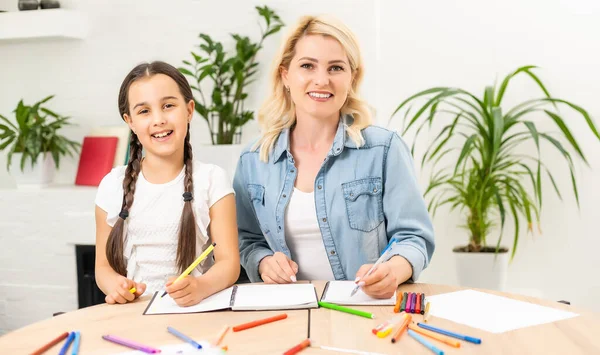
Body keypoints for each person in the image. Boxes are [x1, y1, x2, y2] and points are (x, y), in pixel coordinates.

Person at [233, 15, 435, 299]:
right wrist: (263, 262)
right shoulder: (253, 159)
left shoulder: (384, 149)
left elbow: (414, 238)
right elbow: (247, 240)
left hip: (362, 309)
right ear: (285, 76)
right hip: (283, 311)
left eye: (336, 68)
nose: (322, 80)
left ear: (352, 78)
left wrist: (394, 269)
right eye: (307, 66)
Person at [94, 61, 239, 306]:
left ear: (189, 110)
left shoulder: (213, 180)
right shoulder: (111, 185)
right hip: (133, 314)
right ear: (130, 122)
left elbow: (229, 263)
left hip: (195, 311)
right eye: (144, 111)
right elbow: (102, 268)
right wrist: (115, 286)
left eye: (168, 106)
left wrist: (201, 286)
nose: (158, 119)